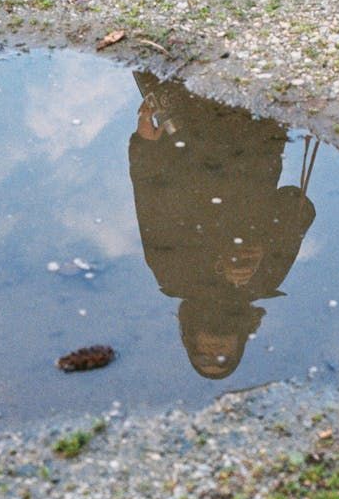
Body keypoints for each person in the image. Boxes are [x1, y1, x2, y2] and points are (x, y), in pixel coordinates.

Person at [129, 71, 317, 379]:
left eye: (205, 353)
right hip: (256, 135)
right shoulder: (265, 278)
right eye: (222, 354)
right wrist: (263, 243)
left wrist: (144, 144)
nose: (215, 346)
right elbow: (297, 203)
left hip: (187, 128)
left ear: (190, 338)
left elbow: (150, 197)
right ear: (239, 341)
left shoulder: (173, 274)